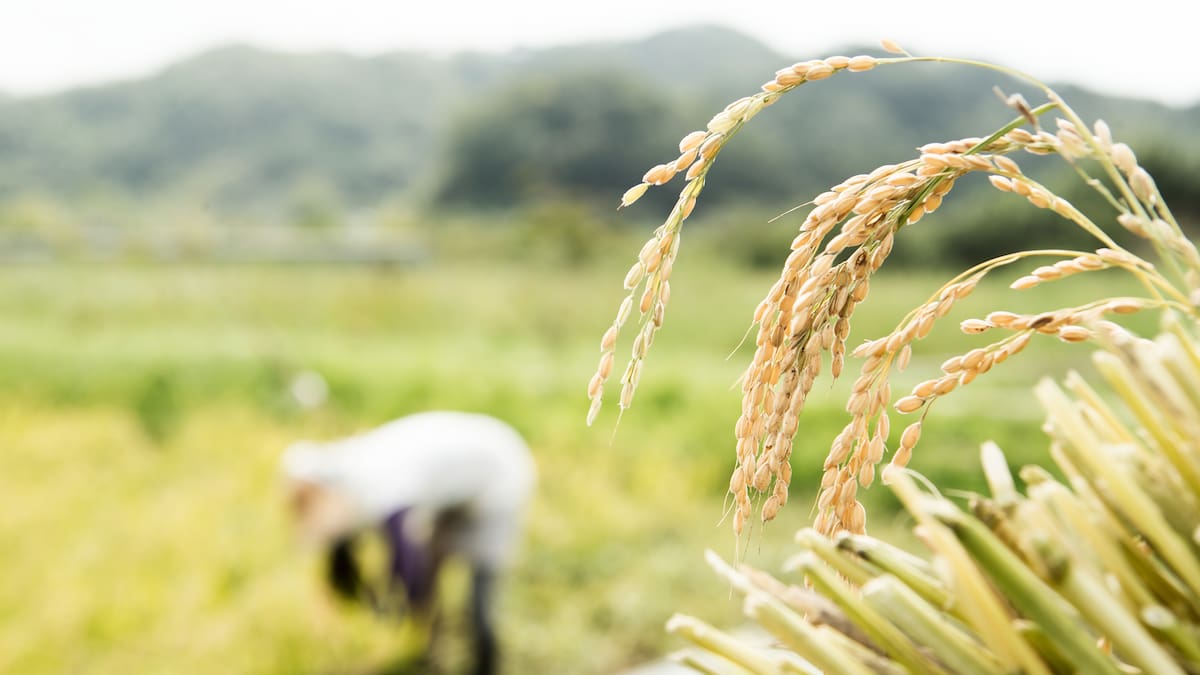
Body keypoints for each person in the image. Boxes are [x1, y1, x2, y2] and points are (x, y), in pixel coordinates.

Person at [281, 411, 537, 675]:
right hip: (454, 487)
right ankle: (431, 652)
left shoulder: (379, 486)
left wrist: (396, 603)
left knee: (479, 595)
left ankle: (485, 665)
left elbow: (405, 561)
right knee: (431, 570)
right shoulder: (344, 469)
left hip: (498, 478)